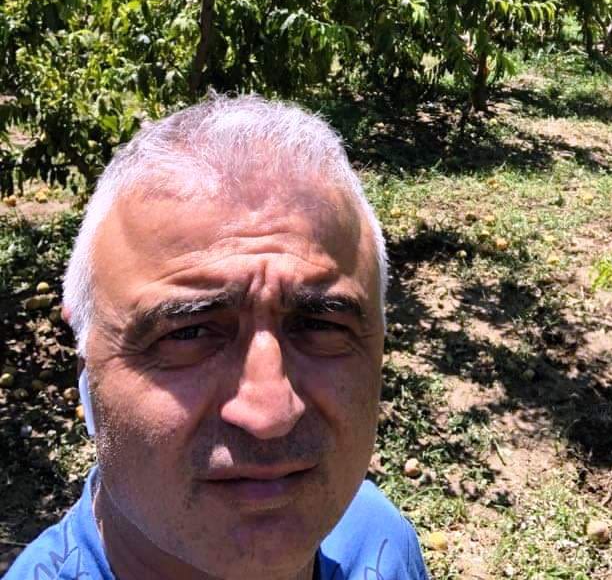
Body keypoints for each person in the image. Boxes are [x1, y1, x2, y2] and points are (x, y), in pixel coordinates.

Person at [8, 95, 429, 580]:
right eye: (187, 332)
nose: (270, 415)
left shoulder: (376, 538)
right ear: (85, 363)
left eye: (321, 325)